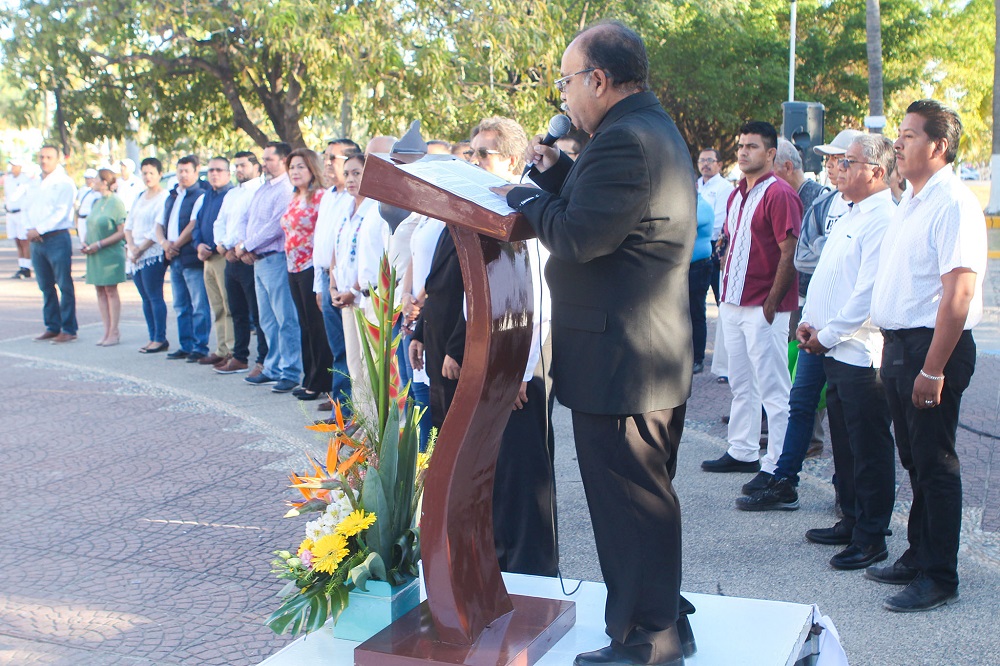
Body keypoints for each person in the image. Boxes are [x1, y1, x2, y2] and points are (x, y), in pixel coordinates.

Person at [497, 22, 697, 666]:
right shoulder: (643, 130)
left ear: (599, 80)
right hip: (640, 352)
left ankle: (646, 639)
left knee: (629, 504)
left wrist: (522, 197)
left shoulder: (623, 141)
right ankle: (667, 620)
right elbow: (605, 211)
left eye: (566, 81)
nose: (563, 96)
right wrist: (557, 174)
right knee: (643, 498)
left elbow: (580, 237)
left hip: (623, 359)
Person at [737, 136, 897, 541]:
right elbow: (822, 272)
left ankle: (871, 536)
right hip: (829, 343)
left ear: (876, 172)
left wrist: (827, 334)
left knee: (867, 447)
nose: (839, 168)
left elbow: (866, 294)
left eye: (848, 162)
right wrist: (810, 322)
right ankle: (852, 522)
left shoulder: (883, 218)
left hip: (858, 351)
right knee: (843, 442)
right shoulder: (849, 211)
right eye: (840, 162)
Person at [867, 99, 987, 613]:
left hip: (932, 348)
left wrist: (933, 368)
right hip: (900, 345)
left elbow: (958, 293)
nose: (898, 143)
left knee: (936, 464)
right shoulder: (913, 201)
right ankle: (919, 555)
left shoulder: (953, 202)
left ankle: (939, 575)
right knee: (915, 459)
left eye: (910, 135)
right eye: (899, 134)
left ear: (938, 146)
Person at [701, 121, 802, 478]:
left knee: (774, 390)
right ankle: (742, 451)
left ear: (771, 153)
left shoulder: (779, 194)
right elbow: (733, 241)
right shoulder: (736, 194)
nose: (744, 152)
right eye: (741, 145)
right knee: (742, 384)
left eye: (753, 146)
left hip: (763, 307)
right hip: (733, 302)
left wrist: (772, 304)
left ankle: (777, 466)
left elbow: (789, 251)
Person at [236, 141, 301, 394]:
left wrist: (247, 246)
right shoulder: (263, 188)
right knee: (267, 320)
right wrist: (244, 246)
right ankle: (272, 367)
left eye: (268, 159)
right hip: (258, 260)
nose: (263, 164)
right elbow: (246, 219)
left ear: (284, 160)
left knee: (285, 319)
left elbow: (275, 226)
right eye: (263, 159)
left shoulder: (285, 189)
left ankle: (291, 371)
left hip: (275, 259)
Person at [312, 139, 360, 410]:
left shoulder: (353, 199)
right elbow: (323, 243)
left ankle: (347, 405)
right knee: (337, 345)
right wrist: (321, 286)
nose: (328, 163)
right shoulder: (328, 195)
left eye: (334, 158)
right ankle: (339, 400)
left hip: (349, 283)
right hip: (327, 277)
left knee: (350, 347)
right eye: (326, 157)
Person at [282, 147, 332, 401]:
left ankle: (321, 381)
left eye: (301, 166)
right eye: (292, 167)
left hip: (311, 267)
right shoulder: (294, 196)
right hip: (293, 267)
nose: (295, 171)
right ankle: (309, 377)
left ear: (312, 168)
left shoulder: (321, 197)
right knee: (304, 325)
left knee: (316, 325)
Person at [214, 151, 267, 376]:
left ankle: (263, 359)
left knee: (259, 313)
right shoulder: (232, 194)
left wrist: (242, 247)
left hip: (249, 257)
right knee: (236, 310)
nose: (239, 170)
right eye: (236, 166)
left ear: (256, 167)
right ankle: (240, 356)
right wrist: (222, 246)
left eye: (243, 165)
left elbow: (256, 225)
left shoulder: (260, 191)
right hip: (230, 258)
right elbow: (220, 222)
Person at [156, 155, 209, 362]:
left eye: (187, 171)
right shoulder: (172, 196)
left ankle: (200, 346)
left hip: (189, 256)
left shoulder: (200, 195)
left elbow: (193, 224)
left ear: (196, 172)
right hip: (173, 257)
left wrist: (175, 245)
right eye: (180, 171)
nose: (183, 175)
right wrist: (164, 244)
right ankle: (185, 345)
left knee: (198, 305)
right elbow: (159, 224)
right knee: (180, 304)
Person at [24, 145, 78, 344]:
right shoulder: (34, 182)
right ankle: (52, 326)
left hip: (56, 238)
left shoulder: (64, 183)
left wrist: (40, 229)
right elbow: (27, 208)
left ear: (57, 159)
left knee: (64, 284)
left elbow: (61, 212)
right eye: (42, 157)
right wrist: (30, 229)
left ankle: (69, 328)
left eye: (49, 157)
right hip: (37, 241)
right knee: (45, 285)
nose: (44, 160)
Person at [192, 156, 236, 368]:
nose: (214, 174)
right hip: (207, 258)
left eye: (219, 170)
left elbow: (229, 226)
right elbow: (198, 224)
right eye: (211, 170)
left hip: (222, 256)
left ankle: (232, 350)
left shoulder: (231, 195)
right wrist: (198, 245)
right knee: (217, 306)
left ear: (228, 173)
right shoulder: (207, 195)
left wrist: (211, 246)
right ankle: (221, 349)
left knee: (228, 305)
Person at [125, 157, 171, 353]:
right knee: (144, 297)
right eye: (144, 173)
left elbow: (157, 228)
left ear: (160, 174)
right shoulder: (139, 196)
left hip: (152, 252)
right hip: (135, 253)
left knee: (154, 295)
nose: (148, 177)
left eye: (152, 173)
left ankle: (160, 338)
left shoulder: (164, 197)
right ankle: (152, 336)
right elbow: (128, 225)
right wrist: (131, 247)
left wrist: (141, 248)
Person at [81, 168, 128, 346]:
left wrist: (100, 244)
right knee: (99, 290)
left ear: (105, 182)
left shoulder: (116, 202)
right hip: (94, 253)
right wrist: (86, 242)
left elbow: (121, 232)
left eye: (96, 179)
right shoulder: (96, 202)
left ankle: (114, 331)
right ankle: (106, 329)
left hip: (109, 252)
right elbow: (91, 224)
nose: (93, 182)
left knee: (110, 290)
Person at [688, 193, 714, 374]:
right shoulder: (691, 202)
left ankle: (698, 359)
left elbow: (683, 226)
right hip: (686, 267)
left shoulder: (701, 206)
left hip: (698, 267)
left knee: (696, 313)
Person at [3, 157, 36, 279]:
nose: (13, 168)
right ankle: (21, 266)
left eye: (15, 166)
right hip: (10, 213)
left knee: (24, 241)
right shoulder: (8, 179)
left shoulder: (26, 180)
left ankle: (27, 268)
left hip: (21, 213)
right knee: (17, 240)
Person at [74, 169, 100, 246]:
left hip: (91, 218)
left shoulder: (97, 192)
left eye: (90, 178)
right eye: (87, 178)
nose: (88, 180)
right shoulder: (82, 190)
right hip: (81, 218)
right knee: (82, 240)